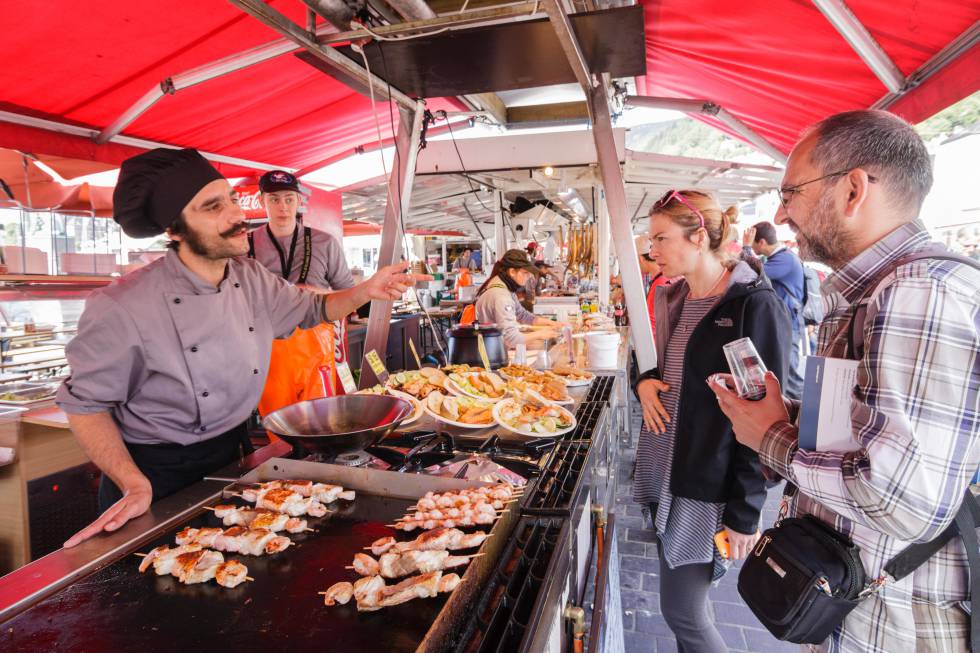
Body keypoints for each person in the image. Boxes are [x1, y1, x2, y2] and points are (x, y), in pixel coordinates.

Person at [56, 148, 426, 547]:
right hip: (155, 476)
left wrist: (366, 290)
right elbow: (85, 406)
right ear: (175, 230)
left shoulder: (249, 277)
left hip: (232, 456)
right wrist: (132, 483)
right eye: (213, 207)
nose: (236, 215)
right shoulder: (122, 305)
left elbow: (313, 308)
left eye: (231, 199)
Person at [711, 110, 980, 652]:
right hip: (859, 604)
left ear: (853, 189)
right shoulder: (874, 291)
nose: (781, 214)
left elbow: (902, 500)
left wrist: (770, 437)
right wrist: (784, 415)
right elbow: (865, 437)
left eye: (791, 193)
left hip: (894, 624)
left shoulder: (917, 291)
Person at [634, 189, 791, 652]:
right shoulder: (677, 297)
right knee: (686, 613)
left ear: (698, 237)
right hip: (666, 469)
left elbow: (766, 418)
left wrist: (745, 512)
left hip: (705, 485)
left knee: (684, 613)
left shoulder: (751, 306)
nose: (653, 250)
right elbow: (661, 366)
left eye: (661, 238)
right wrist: (644, 382)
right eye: (651, 240)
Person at [247, 170, 354, 291]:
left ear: (299, 200)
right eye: (274, 200)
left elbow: (348, 292)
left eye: (289, 200)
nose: (283, 207)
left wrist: (320, 294)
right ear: (262, 201)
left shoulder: (326, 242)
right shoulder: (245, 244)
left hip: (314, 304)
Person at [742, 221, 806, 398]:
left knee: (790, 372)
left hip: (790, 323)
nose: (753, 248)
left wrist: (746, 248)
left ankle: (798, 410)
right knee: (780, 369)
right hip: (782, 322)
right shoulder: (778, 258)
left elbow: (751, 273)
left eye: (753, 243)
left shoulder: (785, 259)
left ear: (762, 242)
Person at [475, 249, 566, 348]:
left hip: (494, 348)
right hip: (491, 353)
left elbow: (522, 315)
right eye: (525, 272)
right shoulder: (501, 296)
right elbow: (511, 339)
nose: (529, 276)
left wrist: (552, 323)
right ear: (512, 272)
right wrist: (540, 334)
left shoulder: (507, 289)